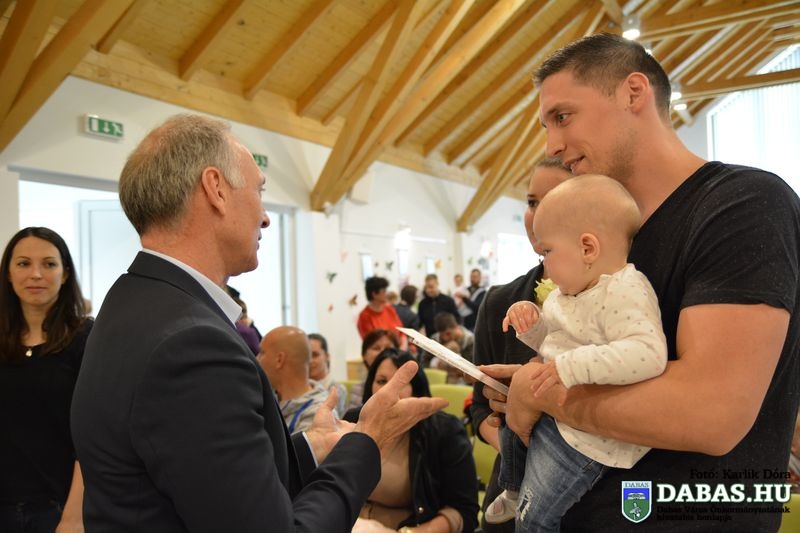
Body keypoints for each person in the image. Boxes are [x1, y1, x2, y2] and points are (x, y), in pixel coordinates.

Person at [481, 33, 800, 531]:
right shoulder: (606, 235)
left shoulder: (743, 205)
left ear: (633, 92)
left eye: (563, 117)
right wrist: (530, 377)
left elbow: (709, 413)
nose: (552, 146)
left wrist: (540, 391)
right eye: (547, 125)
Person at [70, 114, 446, 532]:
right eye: (259, 190)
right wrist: (366, 445)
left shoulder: (132, 301)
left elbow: (214, 485)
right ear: (215, 189)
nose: (266, 217)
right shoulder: (192, 344)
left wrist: (316, 447)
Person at [484, 175, 667, 530]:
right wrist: (531, 325)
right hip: (554, 410)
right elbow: (552, 344)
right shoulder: (565, 293)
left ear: (587, 249)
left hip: (587, 438)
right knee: (510, 427)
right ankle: (513, 489)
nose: (544, 264)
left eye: (547, 252)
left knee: (535, 517)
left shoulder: (624, 290)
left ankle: (525, 506)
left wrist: (568, 366)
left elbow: (648, 354)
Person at [470, 157, 572, 533]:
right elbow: (479, 409)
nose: (538, 214)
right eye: (531, 202)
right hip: (509, 499)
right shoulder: (499, 301)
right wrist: (515, 445)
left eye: (555, 199)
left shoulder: (616, 295)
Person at [0, 227, 91, 533]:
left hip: (58, 510)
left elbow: (91, 436)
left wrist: (74, 517)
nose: (35, 274)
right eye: (23, 263)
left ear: (65, 274)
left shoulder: (85, 339)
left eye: (49, 264)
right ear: (8, 273)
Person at [344, 349, 479, 532]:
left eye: (400, 382)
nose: (387, 391)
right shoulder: (354, 420)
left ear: (416, 388)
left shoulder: (444, 431)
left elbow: (464, 511)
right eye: (381, 381)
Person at [257, 326, 332, 434]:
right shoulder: (268, 400)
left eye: (262, 353)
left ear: (279, 360)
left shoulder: (318, 416)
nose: (257, 359)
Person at [347, 328, 400, 409]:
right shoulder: (357, 390)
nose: (383, 352)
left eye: (388, 348)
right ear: (364, 355)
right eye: (376, 348)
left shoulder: (404, 384)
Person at [308, 332, 347, 415]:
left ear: (327, 356)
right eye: (306, 356)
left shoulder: (337, 389)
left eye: (315, 355)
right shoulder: (300, 390)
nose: (310, 361)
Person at [418, 273, 460, 338]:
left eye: (431, 287)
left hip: (447, 338)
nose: (428, 290)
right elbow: (420, 323)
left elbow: (457, 319)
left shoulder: (448, 301)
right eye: (426, 287)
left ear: (437, 284)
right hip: (430, 338)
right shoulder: (422, 304)